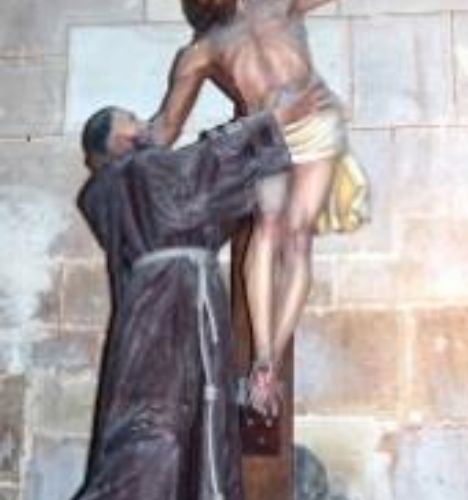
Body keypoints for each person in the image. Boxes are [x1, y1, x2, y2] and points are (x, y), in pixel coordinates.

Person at [71, 89, 328, 500]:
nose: (146, 124)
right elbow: (199, 174)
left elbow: (202, 211)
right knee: (155, 434)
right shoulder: (134, 175)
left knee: (182, 430)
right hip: (166, 312)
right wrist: (267, 123)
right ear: (118, 140)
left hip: (170, 305)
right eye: (133, 119)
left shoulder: (125, 189)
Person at [149, 0, 369, 415]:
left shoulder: (278, 3)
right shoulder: (201, 51)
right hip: (267, 135)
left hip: (315, 123)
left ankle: (269, 362)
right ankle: (263, 353)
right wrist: (120, 143)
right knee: (267, 228)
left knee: (298, 237)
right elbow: (165, 128)